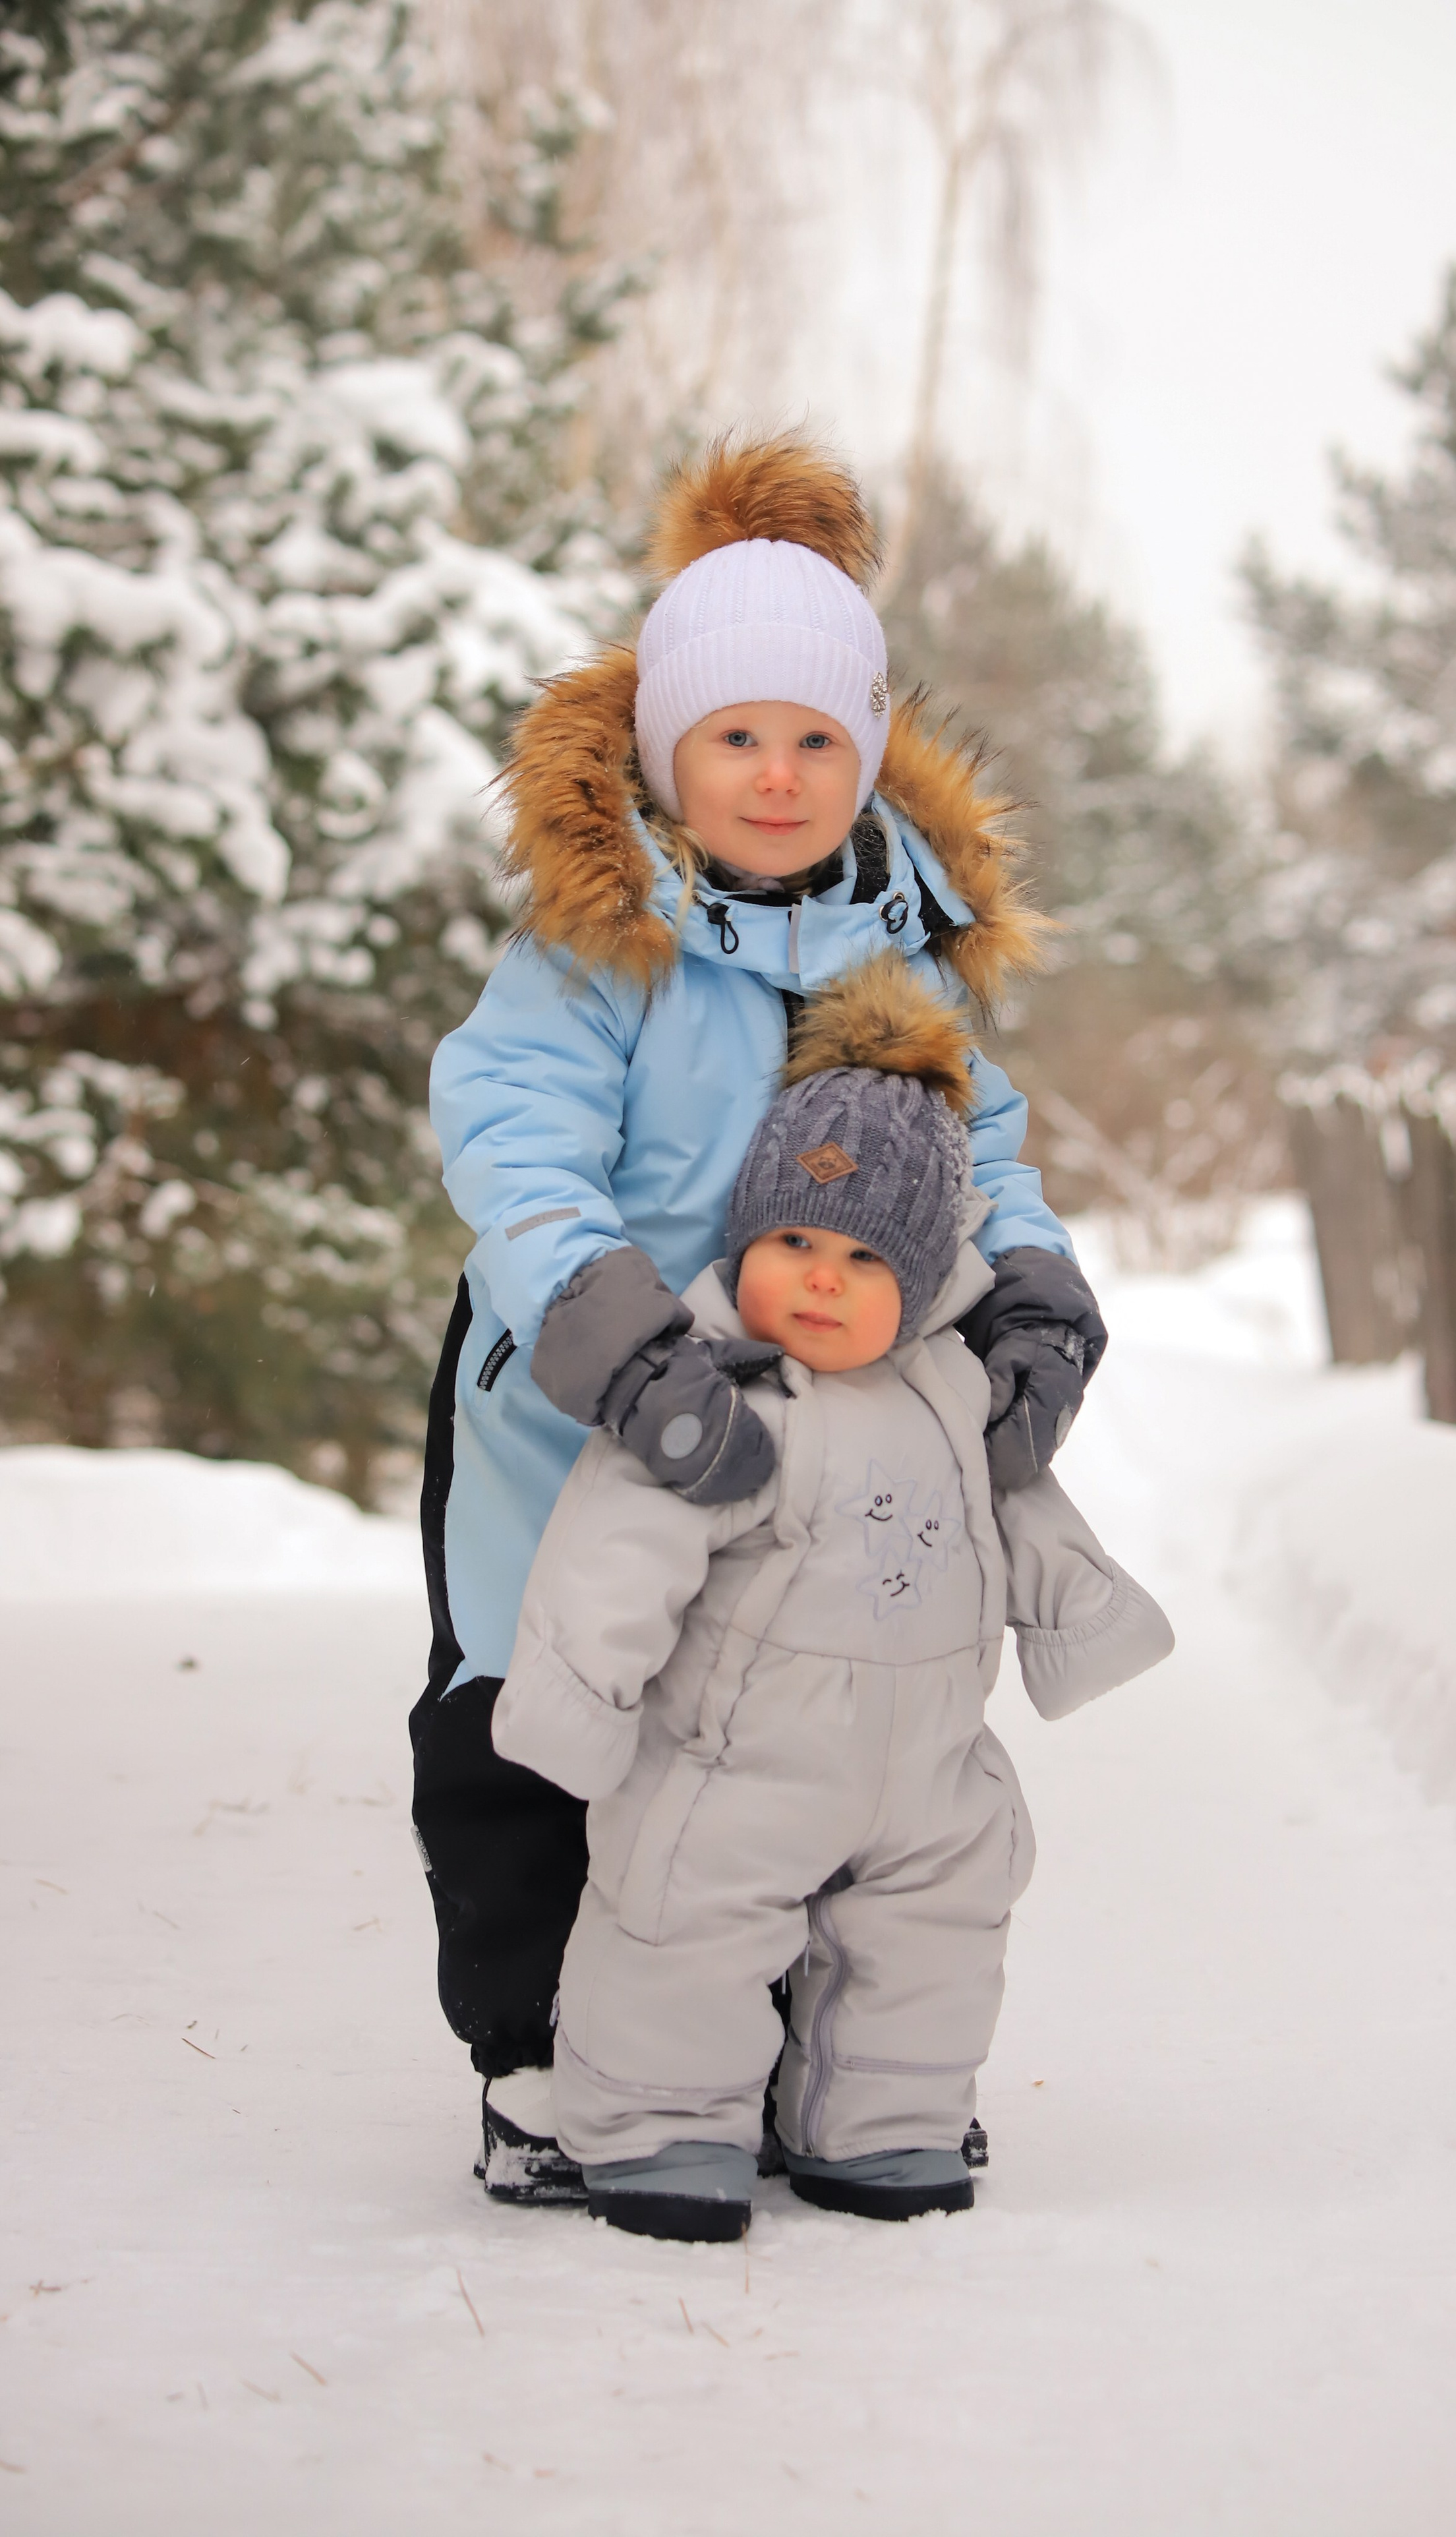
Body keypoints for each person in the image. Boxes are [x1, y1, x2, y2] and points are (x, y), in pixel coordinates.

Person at [411, 434, 1113, 2203]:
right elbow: (514, 1139)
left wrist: (1028, 1293)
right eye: (738, 737)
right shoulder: (597, 949)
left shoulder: (909, 954)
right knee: (545, 1724)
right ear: (670, 752)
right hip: (573, 1405)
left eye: (818, 739)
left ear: (866, 751)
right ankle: (537, 2066)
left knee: (798, 1735)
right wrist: (616, 1328)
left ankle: (801, 2060)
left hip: (824, 1427)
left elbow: (983, 1152)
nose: (780, 776)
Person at [491, 965, 1175, 2240]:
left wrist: (1080, 1625)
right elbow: (611, 1556)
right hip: (736, 1764)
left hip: (926, 1769)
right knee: (680, 1924)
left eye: (863, 1259)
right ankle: (659, 2131)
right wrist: (579, 1703)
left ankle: (883, 2127)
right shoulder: (720, 1404)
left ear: (920, 1287)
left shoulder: (957, 1396)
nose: (818, 1280)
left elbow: (1023, 1512)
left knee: (932, 1939)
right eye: (792, 1243)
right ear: (744, 1244)